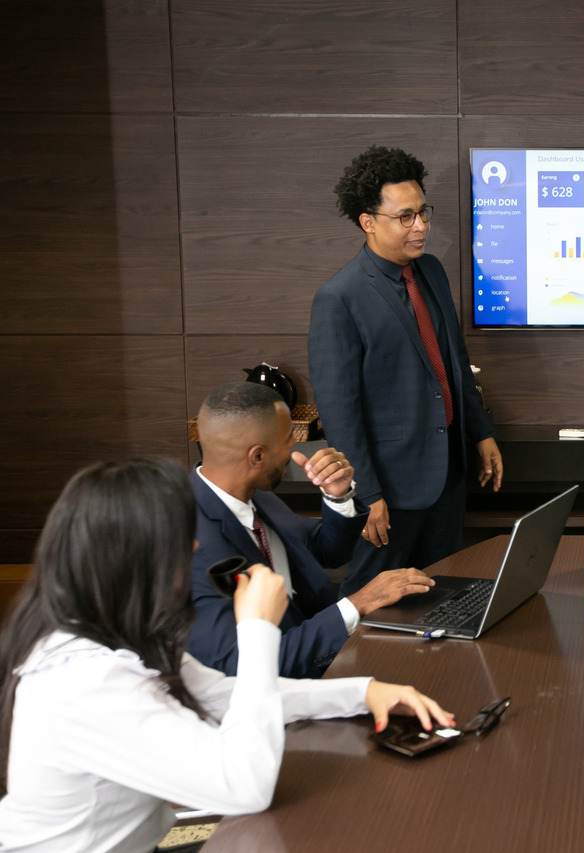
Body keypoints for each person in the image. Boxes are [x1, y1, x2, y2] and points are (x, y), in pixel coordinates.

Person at [0, 459, 454, 853]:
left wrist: (364, 692)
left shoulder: (115, 635)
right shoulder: (86, 681)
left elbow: (226, 694)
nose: (195, 548)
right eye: (182, 536)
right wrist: (257, 630)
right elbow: (245, 786)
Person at [310, 145, 503, 597]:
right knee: (375, 599)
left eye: (422, 213)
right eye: (405, 217)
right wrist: (366, 495)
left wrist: (481, 432)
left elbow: (453, 362)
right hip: (390, 489)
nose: (420, 226)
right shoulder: (339, 298)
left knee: (440, 592)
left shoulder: (430, 271)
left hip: (448, 474)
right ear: (368, 222)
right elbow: (340, 411)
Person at [189, 381, 437, 678]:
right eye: (288, 439)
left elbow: (325, 551)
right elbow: (247, 667)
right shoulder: (191, 545)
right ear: (257, 457)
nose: (294, 447)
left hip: (323, 652)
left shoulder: (254, 495)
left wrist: (338, 496)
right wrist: (358, 604)